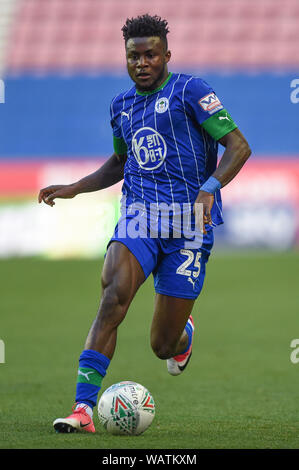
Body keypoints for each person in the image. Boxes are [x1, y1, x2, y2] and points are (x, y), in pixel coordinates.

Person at [38, 14, 251, 433]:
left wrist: (209, 186)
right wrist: (77, 187)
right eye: (133, 56)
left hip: (189, 223)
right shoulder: (120, 106)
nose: (141, 62)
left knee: (161, 344)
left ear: (166, 55)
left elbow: (238, 146)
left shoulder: (192, 90)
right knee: (113, 295)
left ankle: (182, 337)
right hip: (139, 216)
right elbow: (122, 161)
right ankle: (83, 410)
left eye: (150, 54)